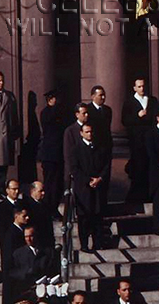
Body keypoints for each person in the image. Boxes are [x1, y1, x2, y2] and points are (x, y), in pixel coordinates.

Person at [70, 123, 109, 252]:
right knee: (84, 218)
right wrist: (88, 180)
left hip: (97, 186)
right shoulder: (76, 149)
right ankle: (84, 244)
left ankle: (98, 242)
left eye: (91, 131)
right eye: (87, 132)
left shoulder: (100, 148)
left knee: (97, 215)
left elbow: (106, 165)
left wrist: (99, 178)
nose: (90, 134)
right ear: (81, 133)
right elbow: (74, 169)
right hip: (83, 188)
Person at [121, 77, 159, 203]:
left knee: (150, 166)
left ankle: (150, 194)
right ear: (134, 88)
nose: (142, 89)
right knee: (138, 167)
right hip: (136, 141)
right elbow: (124, 120)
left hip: (150, 139)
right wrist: (137, 116)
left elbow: (155, 118)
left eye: (143, 86)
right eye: (139, 86)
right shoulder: (129, 102)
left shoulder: (152, 101)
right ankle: (137, 196)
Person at [37, 90, 65, 220]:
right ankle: (49, 208)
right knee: (50, 183)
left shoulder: (60, 112)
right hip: (49, 154)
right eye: (54, 99)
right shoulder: (46, 113)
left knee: (58, 184)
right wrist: (54, 108)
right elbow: (50, 124)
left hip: (58, 154)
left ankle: (54, 207)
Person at [63, 102, 89, 191]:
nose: (87, 115)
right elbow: (68, 153)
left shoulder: (92, 129)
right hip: (77, 170)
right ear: (77, 115)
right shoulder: (70, 131)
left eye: (87, 113)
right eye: (84, 113)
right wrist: (71, 171)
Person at [23, 180, 55, 248]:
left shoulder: (45, 206)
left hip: (47, 242)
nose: (43, 193)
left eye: (43, 191)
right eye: (40, 191)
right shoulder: (26, 205)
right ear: (33, 191)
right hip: (36, 241)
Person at [0, 178, 21, 254]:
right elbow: (1, 229)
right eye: (14, 189)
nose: (17, 191)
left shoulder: (22, 204)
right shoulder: (0, 207)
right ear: (7, 190)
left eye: (18, 189)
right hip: (9, 245)